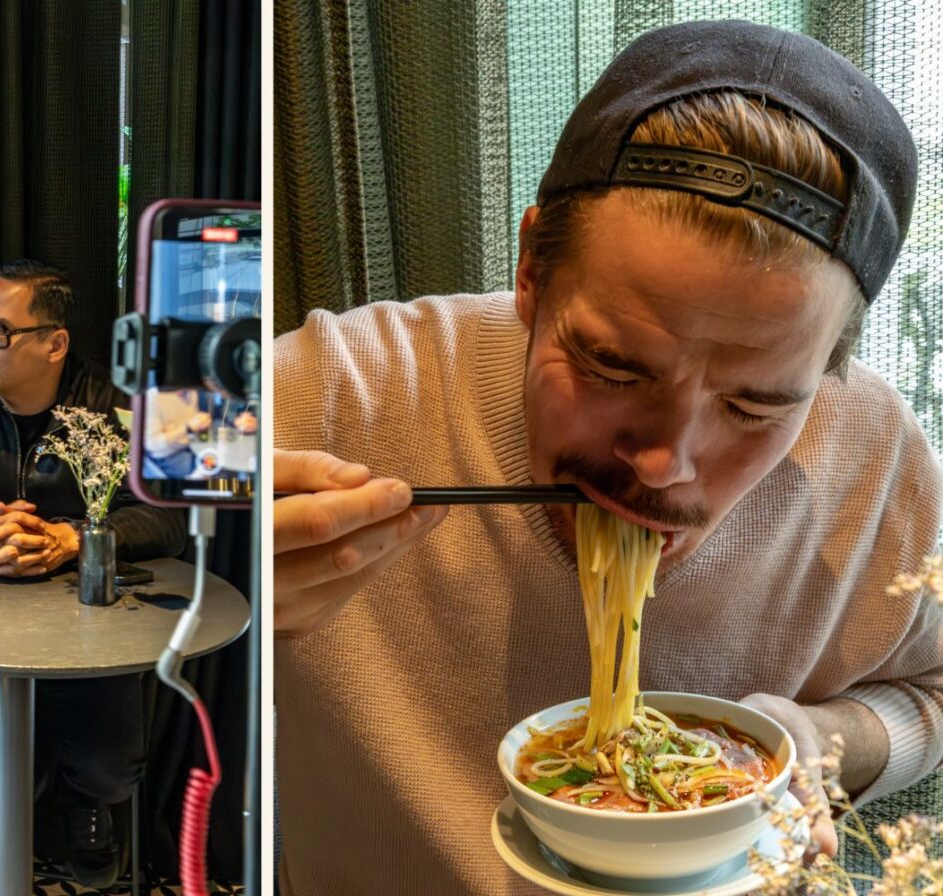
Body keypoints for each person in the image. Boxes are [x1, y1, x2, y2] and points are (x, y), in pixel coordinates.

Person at [272, 21, 943, 894]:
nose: (666, 462)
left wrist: (818, 742)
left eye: (754, 406)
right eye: (611, 367)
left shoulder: (875, 455)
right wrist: (221, 599)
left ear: (827, 373)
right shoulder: (339, 391)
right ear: (530, 271)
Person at [0, 259, 186, 887]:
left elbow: (166, 519)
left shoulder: (112, 405)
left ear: (54, 344)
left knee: (109, 763)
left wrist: (70, 537)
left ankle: (86, 805)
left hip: (87, 622)